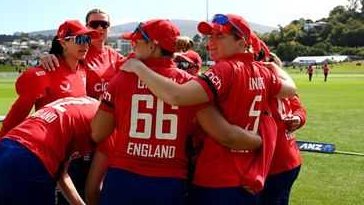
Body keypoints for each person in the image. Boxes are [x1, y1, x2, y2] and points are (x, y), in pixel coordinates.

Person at [120, 14, 297, 205]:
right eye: (210, 35)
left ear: (241, 43)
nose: (210, 41)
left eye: (220, 36)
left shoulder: (226, 69)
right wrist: (273, 66)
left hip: (216, 177)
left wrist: (138, 67)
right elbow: (291, 89)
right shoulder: (261, 71)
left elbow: (176, 96)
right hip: (246, 177)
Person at [89, 19, 264, 205]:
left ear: (151, 46)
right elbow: (221, 133)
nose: (132, 45)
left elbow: (98, 132)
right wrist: (261, 141)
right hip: (168, 184)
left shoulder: (122, 79)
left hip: (123, 181)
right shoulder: (189, 82)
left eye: (137, 41)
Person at [40, 9, 122, 204]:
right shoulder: (80, 53)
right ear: (86, 28)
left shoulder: (114, 56)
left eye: (104, 24)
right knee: (73, 186)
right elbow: (60, 60)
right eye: (94, 24)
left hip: (107, 133)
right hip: (80, 133)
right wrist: (46, 56)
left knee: (99, 189)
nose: (100, 28)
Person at [0, 96, 99, 205]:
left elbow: (61, 173)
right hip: (26, 165)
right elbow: (93, 190)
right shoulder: (106, 122)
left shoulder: (84, 105)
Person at [0, 20, 97, 143]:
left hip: (75, 148)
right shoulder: (45, 72)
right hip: (50, 147)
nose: (85, 44)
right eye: (80, 39)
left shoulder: (82, 70)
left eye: (88, 40)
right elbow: (17, 116)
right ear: (63, 42)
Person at [258, 53, 307, 205]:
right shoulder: (285, 87)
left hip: (277, 162)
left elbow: (299, 109)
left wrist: (298, 119)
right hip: (289, 160)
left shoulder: (265, 87)